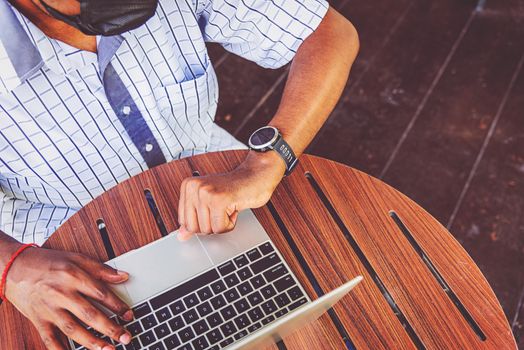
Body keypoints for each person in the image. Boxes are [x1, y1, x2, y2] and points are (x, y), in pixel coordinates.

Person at [0, 0, 359, 348]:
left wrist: (266, 162)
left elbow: (329, 31)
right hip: (71, 268)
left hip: (229, 204)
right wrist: (11, 267)